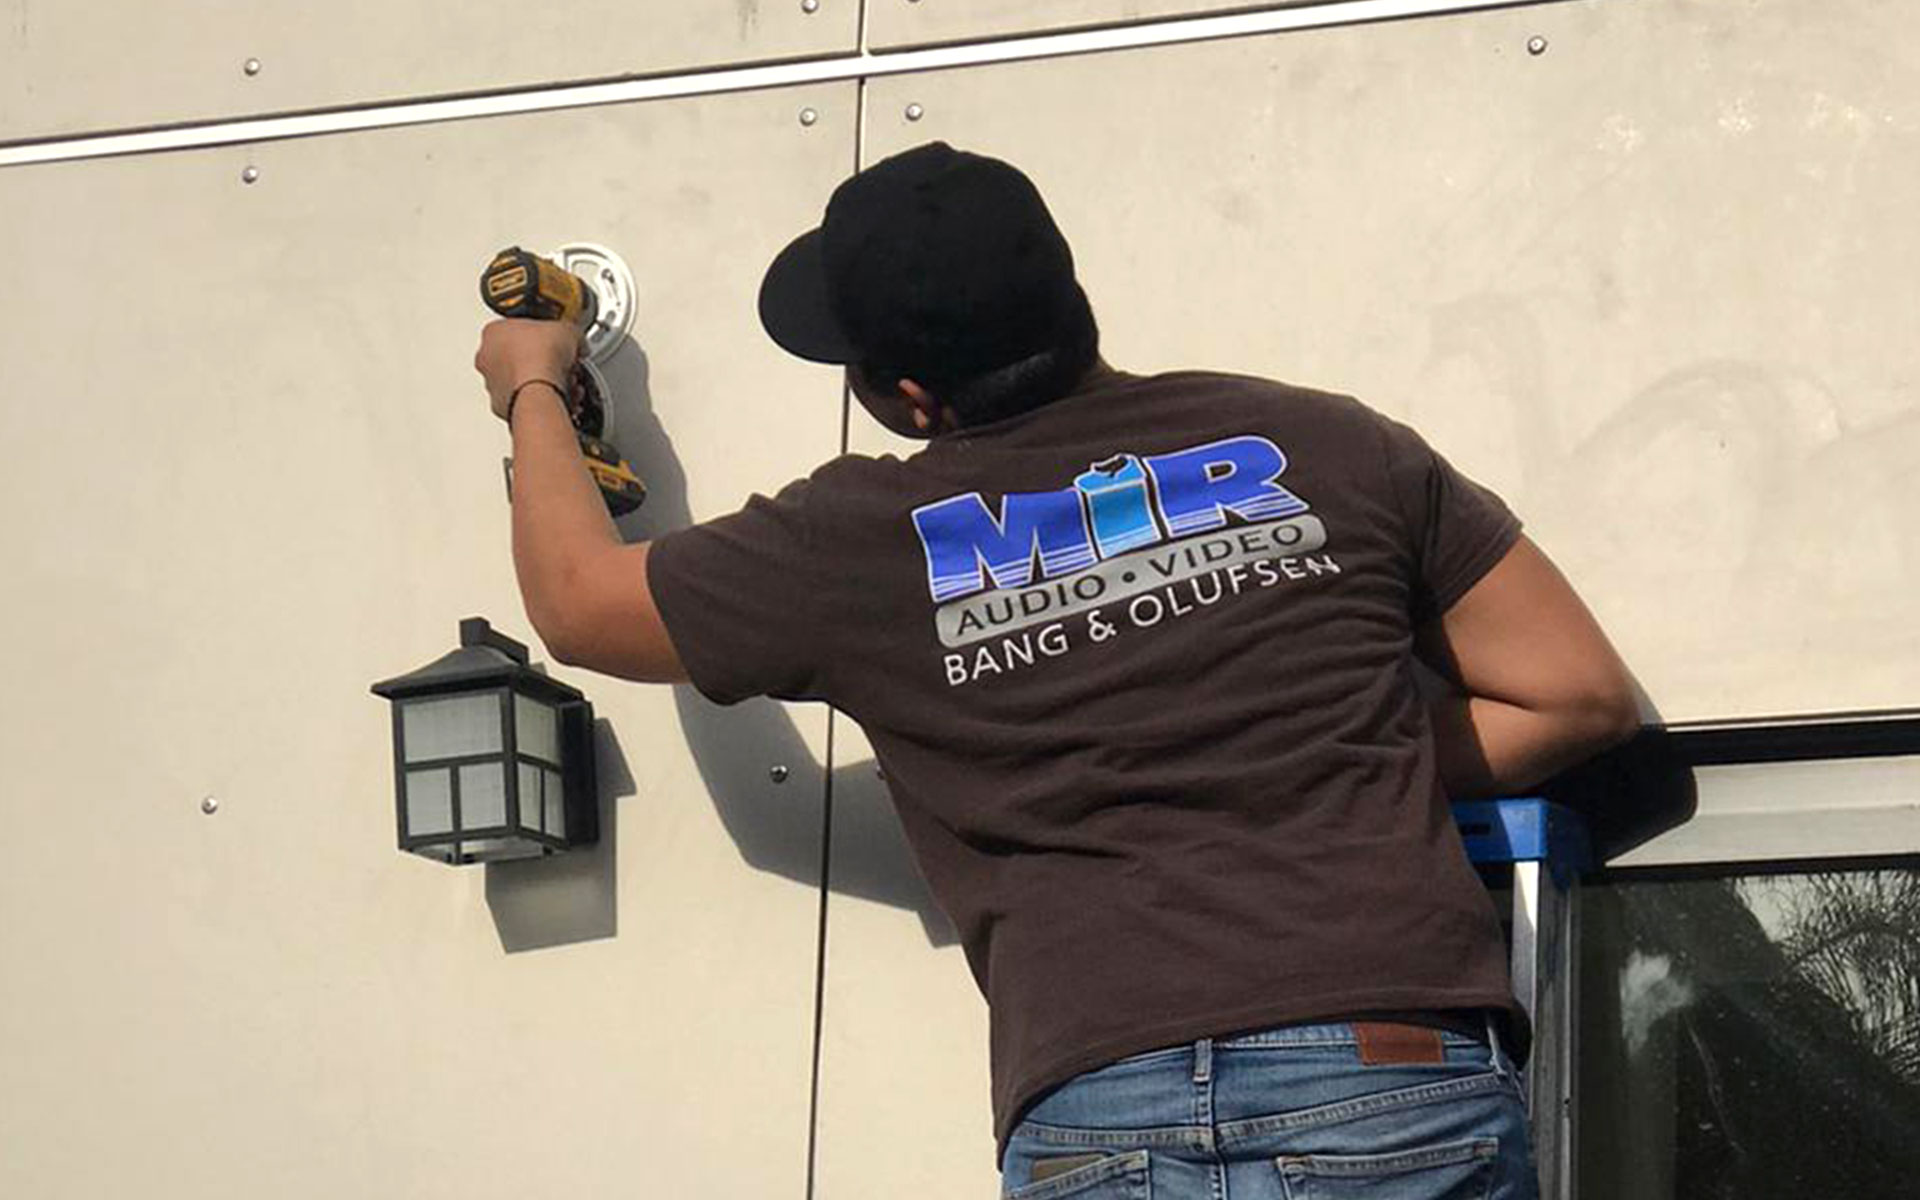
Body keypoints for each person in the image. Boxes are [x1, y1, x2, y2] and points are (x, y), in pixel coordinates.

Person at [472, 141, 1638, 1200]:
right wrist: (1341, 759)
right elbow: (1573, 691)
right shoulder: (1330, 444)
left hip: (1101, 1109)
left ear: (906, 398)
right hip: (1393, 1075)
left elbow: (580, 606)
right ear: (1072, 300)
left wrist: (535, 381)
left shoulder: (860, 539)